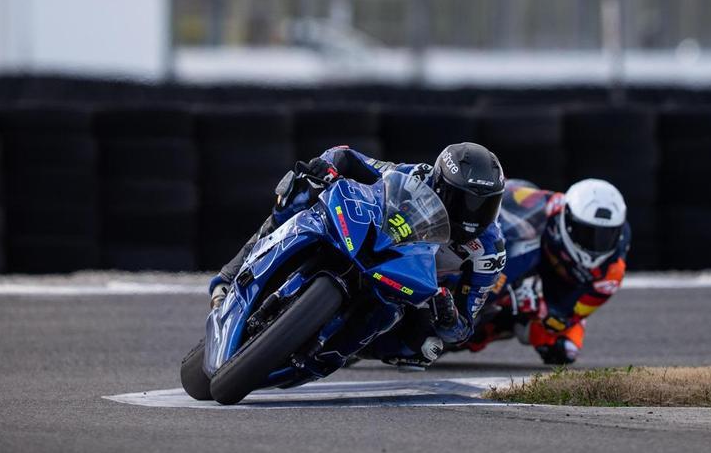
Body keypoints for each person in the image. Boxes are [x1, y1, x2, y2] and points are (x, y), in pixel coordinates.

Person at [208, 142, 508, 367]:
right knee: (301, 191)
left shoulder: (489, 251)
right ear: (441, 185)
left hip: (407, 286)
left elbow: (463, 330)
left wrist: (448, 313)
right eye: (464, 201)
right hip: (368, 241)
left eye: (484, 205)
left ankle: (332, 355)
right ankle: (230, 274)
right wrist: (326, 168)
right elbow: (346, 156)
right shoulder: (415, 176)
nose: (472, 215)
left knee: (423, 347)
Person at [466, 177, 629, 365]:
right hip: (521, 260)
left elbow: (567, 316)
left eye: (605, 237)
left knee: (565, 350)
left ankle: (487, 328)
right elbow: (502, 193)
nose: (596, 244)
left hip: (552, 294)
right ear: (568, 220)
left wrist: (541, 309)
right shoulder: (543, 203)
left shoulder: (610, 275)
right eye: (588, 234)